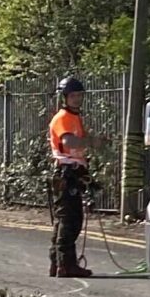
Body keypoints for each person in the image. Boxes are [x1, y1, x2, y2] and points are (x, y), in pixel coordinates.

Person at [48, 76, 93, 278]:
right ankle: (66, 264)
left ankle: (57, 263)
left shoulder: (75, 117)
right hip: (66, 172)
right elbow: (70, 142)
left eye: (79, 95)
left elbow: (79, 145)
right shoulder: (62, 118)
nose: (77, 99)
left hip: (73, 171)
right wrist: (93, 142)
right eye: (73, 95)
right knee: (70, 220)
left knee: (64, 219)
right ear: (64, 97)